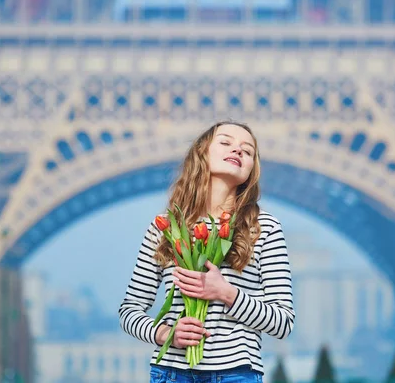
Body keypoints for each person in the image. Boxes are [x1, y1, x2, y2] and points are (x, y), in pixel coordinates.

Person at [119, 121, 295, 382]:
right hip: (171, 372)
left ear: (251, 170)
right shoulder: (165, 227)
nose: (237, 150)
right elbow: (129, 310)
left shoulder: (263, 227)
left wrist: (226, 293)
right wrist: (165, 334)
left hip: (236, 374)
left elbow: (283, 323)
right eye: (225, 142)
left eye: (247, 151)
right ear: (201, 153)